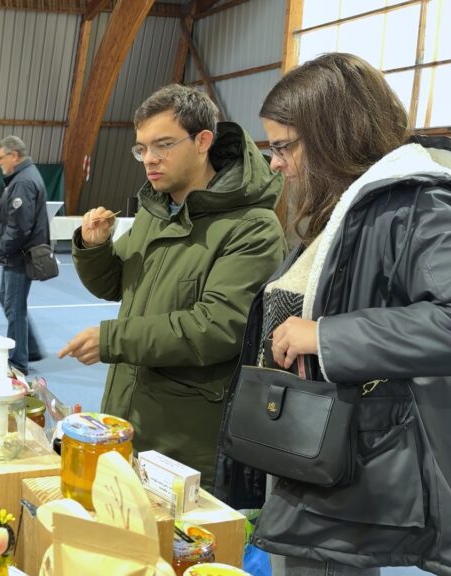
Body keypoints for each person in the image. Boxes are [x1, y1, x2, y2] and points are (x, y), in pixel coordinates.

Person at [215, 52, 451, 575]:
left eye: (284, 146)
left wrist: (328, 336)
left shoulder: (418, 204)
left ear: (335, 134)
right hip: (314, 452)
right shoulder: (350, 208)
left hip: (350, 468)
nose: (275, 163)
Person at [59, 84, 286, 484]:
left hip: (185, 435)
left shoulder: (252, 227)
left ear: (203, 141)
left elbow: (218, 326)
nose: (149, 159)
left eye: (162, 145)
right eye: (142, 148)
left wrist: (113, 340)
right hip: (130, 411)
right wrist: (94, 248)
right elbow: (116, 284)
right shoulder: (157, 210)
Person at [0, 136, 50, 374]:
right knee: (8, 299)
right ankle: (29, 348)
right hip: (18, 254)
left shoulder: (23, 182)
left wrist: (2, 246)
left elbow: (19, 226)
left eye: (1, 158)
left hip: (19, 255)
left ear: (14, 156)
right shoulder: (24, 177)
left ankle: (17, 361)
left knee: (14, 306)